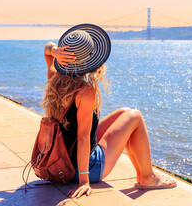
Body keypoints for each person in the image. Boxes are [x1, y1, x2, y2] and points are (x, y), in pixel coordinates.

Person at [42, 24, 177, 199]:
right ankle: (147, 177)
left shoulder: (53, 78)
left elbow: (47, 49)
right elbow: (83, 138)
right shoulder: (84, 91)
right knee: (135, 116)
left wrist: (55, 51)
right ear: (89, 60)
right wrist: (84, 181)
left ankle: (145, 175)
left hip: (59, 162)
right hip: (84, 169)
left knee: (124, 112)